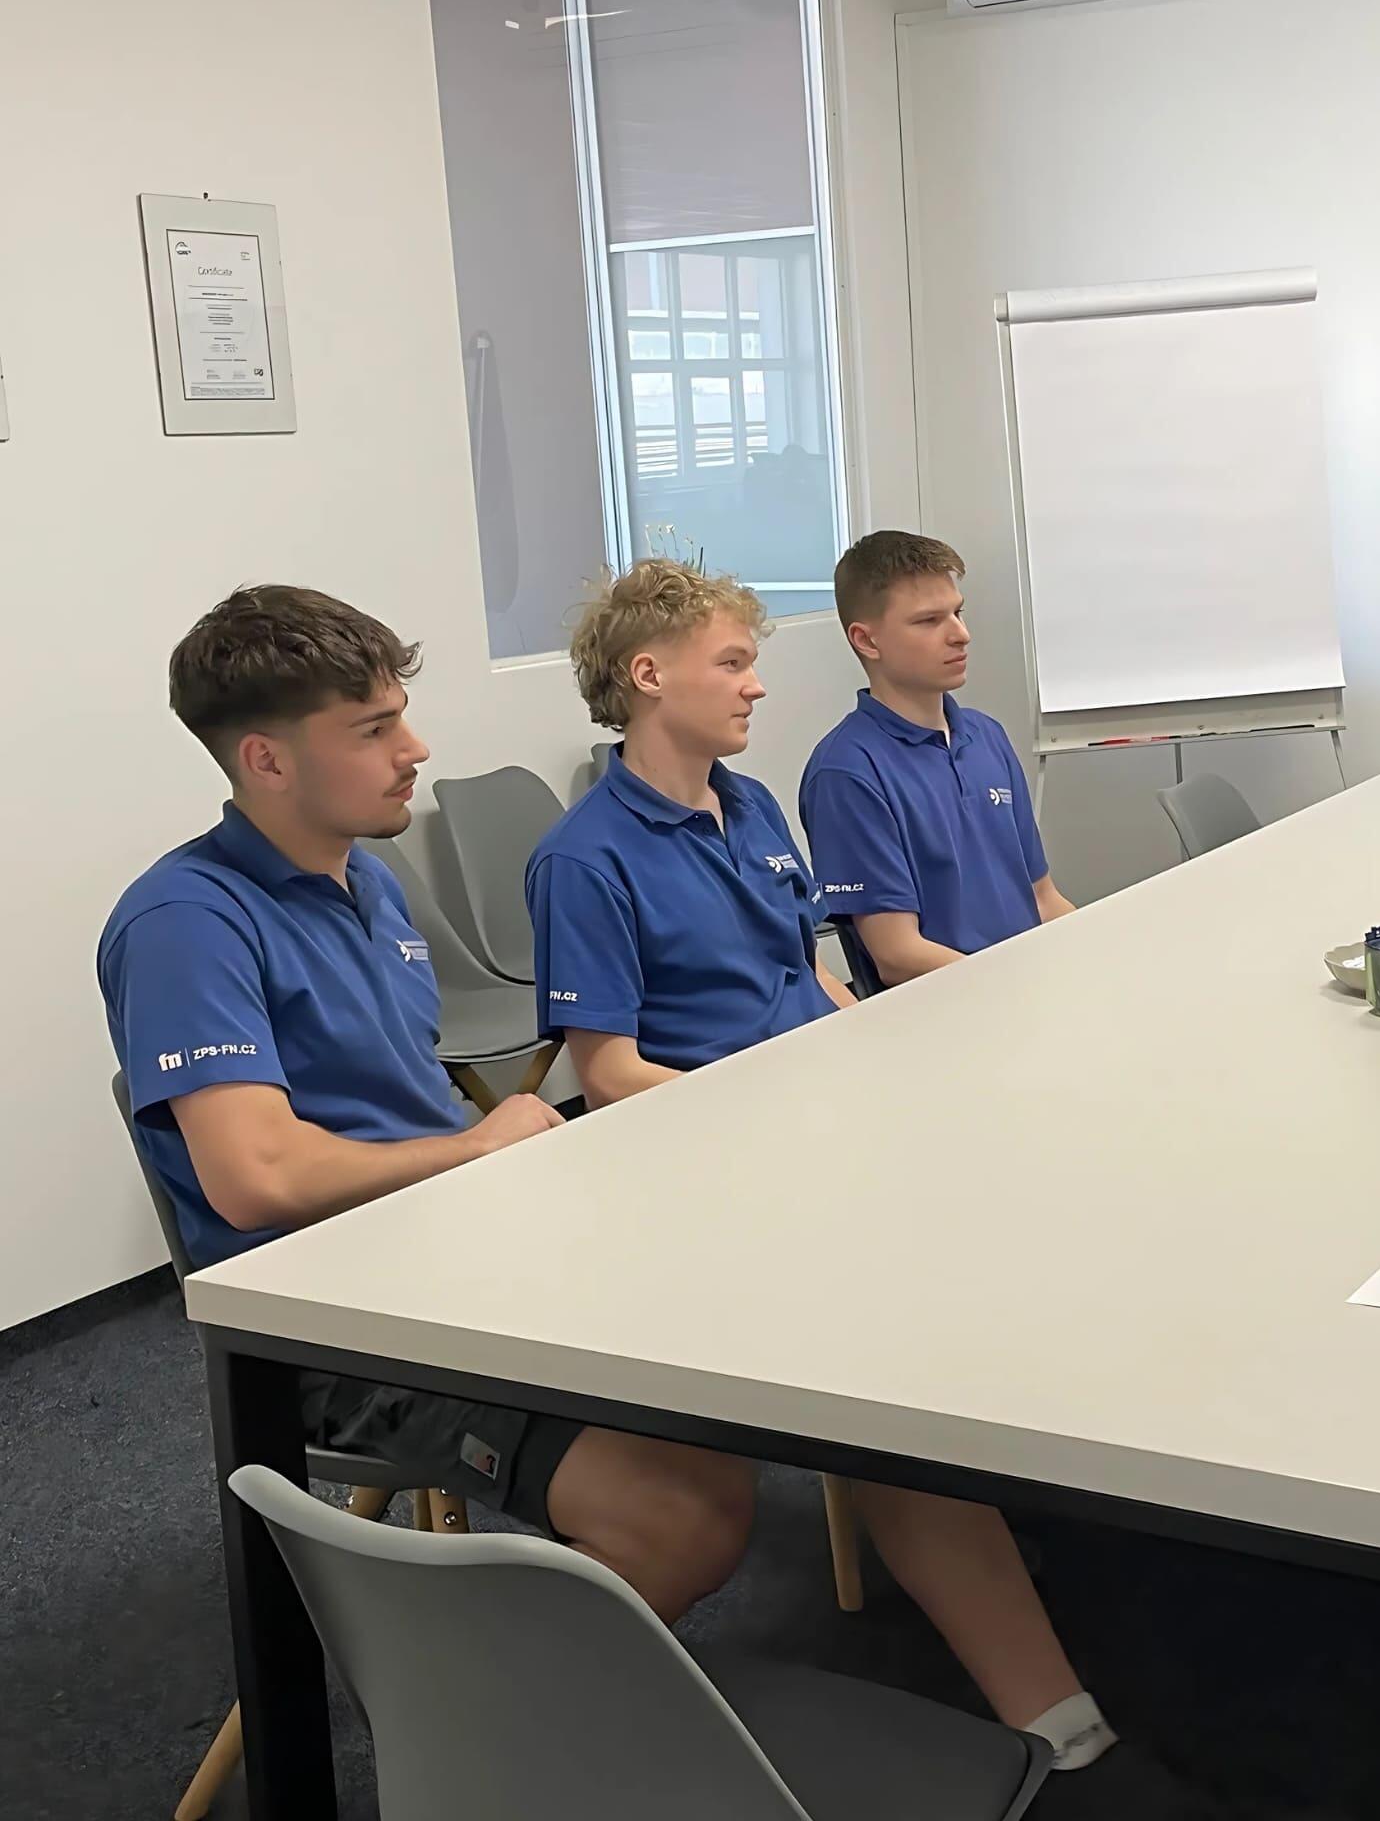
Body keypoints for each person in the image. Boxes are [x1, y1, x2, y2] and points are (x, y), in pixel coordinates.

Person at [526, 560, 1123, 1777]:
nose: (756, 686)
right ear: (649, 677)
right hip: (715, 1174)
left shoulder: (748, 808)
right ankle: (1055, 1716)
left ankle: (1059, 1516)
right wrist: (788, 1113)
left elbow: (813, 980)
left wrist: (880, 1072)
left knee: (1044, 1207)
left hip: (820, 1130)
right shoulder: (584, 859)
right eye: (733, 664)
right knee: (900, 1363)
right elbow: (610, 1075)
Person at [98, 586, 753, 1622]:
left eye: (400, 716)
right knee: (687, 1515)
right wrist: (476, 1149)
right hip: (330, 1334)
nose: (415, 749)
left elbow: (399, 1114)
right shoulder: (186, 922)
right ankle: (463, 1707)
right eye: (372, 730)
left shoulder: (370, 883)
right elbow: (254, 1176)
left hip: (449, 1257)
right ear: (266, 760)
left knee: (757, 1323)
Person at [800, 531, 1076, 988]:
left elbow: (1043, 899)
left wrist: (1091, 957)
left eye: (957, 613)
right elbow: (898, 954)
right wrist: (1016, 985)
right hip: (953, 1006)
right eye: (929, 621)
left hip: (1028, 984)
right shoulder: (847, 772)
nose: (960, 635)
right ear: (867, 640)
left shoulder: (986, 737)